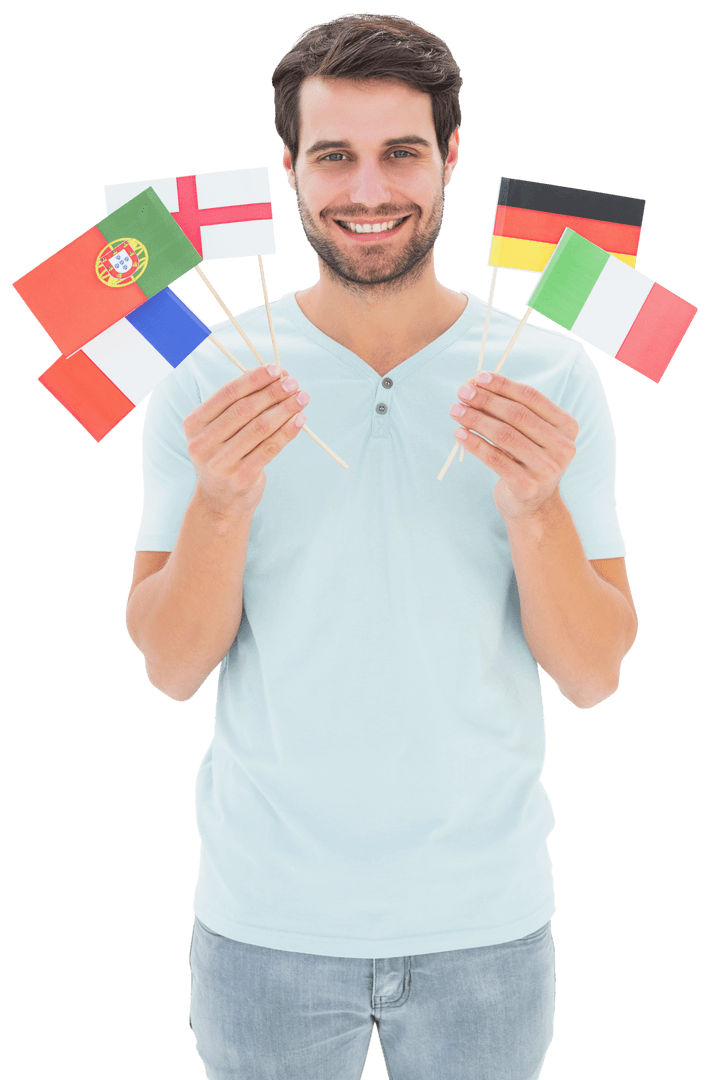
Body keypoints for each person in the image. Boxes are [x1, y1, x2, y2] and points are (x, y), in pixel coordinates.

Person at [124, 13, 638, 1080]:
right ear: (288, 171)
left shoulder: (549, 378)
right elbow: (170, 668)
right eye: (334, 157)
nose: (368, 190)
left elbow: (592, 674)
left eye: (400, 151)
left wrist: (537, 505)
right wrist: (219, 502)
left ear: (450, 155)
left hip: (485, 925)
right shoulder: (209, 374)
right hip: (263, 924)